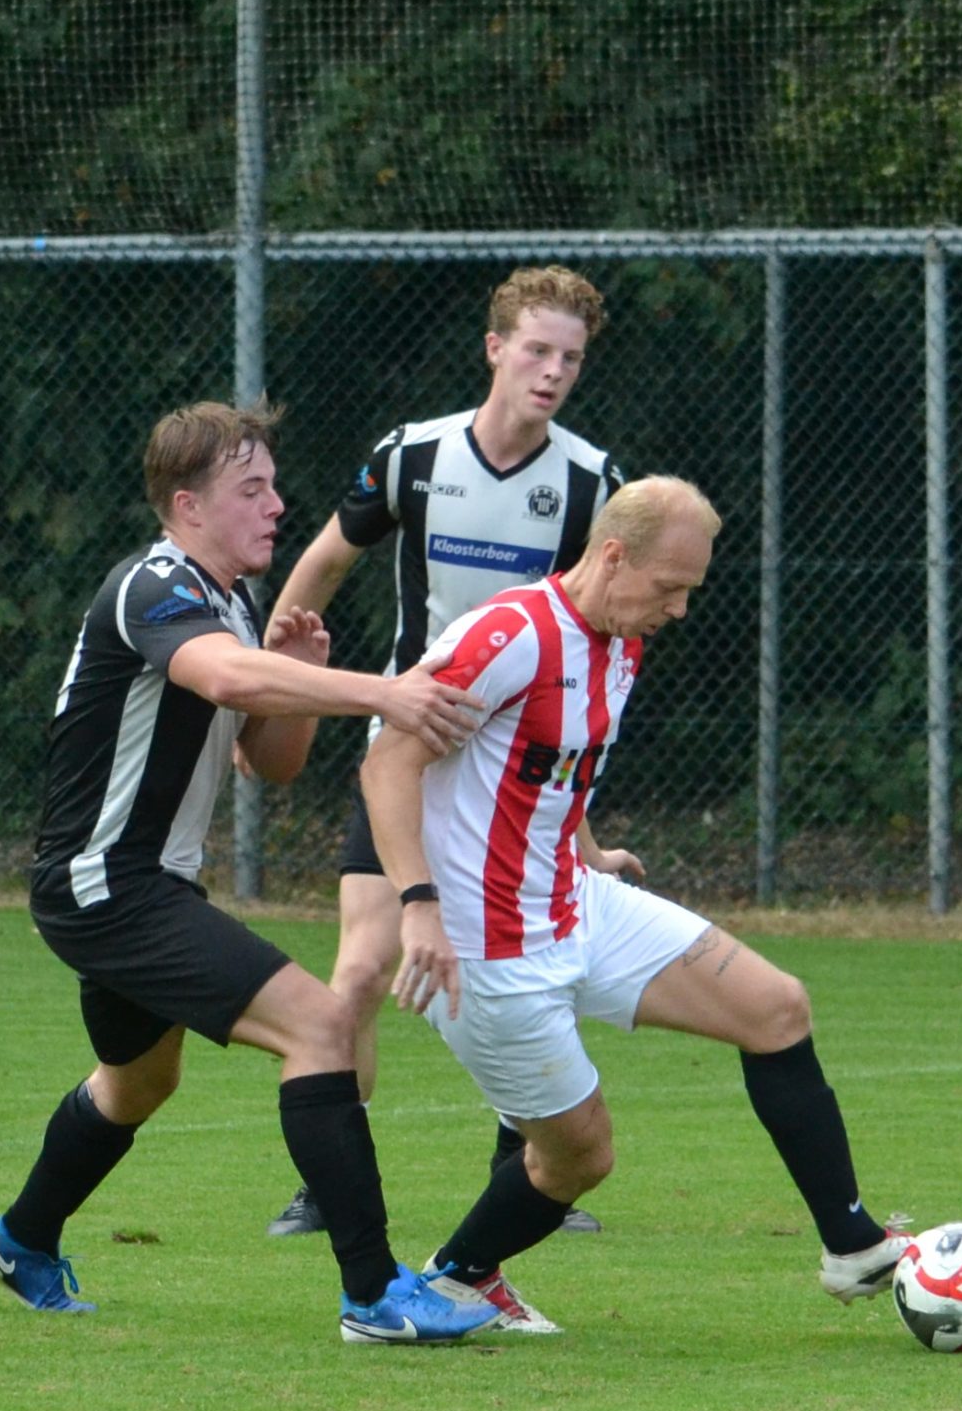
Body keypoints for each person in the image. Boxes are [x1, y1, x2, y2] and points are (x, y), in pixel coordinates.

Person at [0, 398, 501, 1345]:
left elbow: (270, 759)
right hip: (108, 884)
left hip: (139, 886)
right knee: (323, 1023)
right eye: (251, 489)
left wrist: (296, 673)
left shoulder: (232, 600)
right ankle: (375, 1290)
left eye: (273, 484)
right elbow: (224, 680)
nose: (278, 505)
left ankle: (21, 1236)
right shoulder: (155, 584)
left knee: (136, 1084)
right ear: (187, 506)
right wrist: (382, 691)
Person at [360, 477, 913, 1334]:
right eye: (670, 588)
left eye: (691, 590)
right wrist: (417, 904)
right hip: (487, 948)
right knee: (580, 1157)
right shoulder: (509, 635)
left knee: (775, 1007)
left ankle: (853, 1245)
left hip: (576, 903)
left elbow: (547, 766)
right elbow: (387, 764)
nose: (681, 609)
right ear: (612, 556)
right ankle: (454, 1279)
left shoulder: (619, 637)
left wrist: (589, 849)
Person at [260, 265, 626, 1266]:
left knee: (531, 970)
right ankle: (327, 1177)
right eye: (537, 349)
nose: (552, 371)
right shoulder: (413, 458)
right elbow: (329, 555)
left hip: (520, 777)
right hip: (410, 760)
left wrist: (583, 829)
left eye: (571, 357)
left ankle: (535, 1173)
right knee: (364, 965)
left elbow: (593, 653)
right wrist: (276, 655)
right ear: (494, 348)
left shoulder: (593, 485)